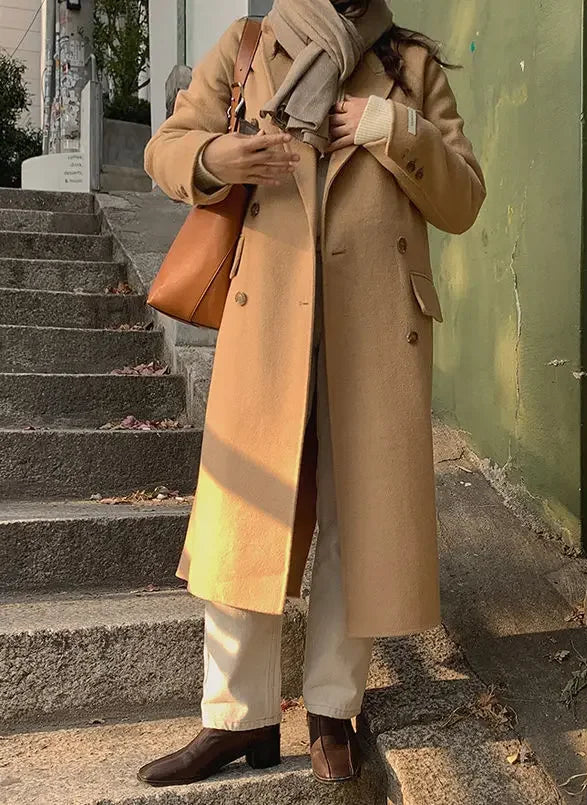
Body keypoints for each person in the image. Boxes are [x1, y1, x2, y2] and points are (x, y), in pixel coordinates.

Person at [138, 0, 485, 788]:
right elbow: (167, 148)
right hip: (268, 319)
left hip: (377, 325)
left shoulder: (409, 64)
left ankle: (333, 707)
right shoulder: (249, 45)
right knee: (247, 506)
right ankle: (237, 716)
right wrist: (218, 157)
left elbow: (463, 199)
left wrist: (392, 129)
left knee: (357, 512)